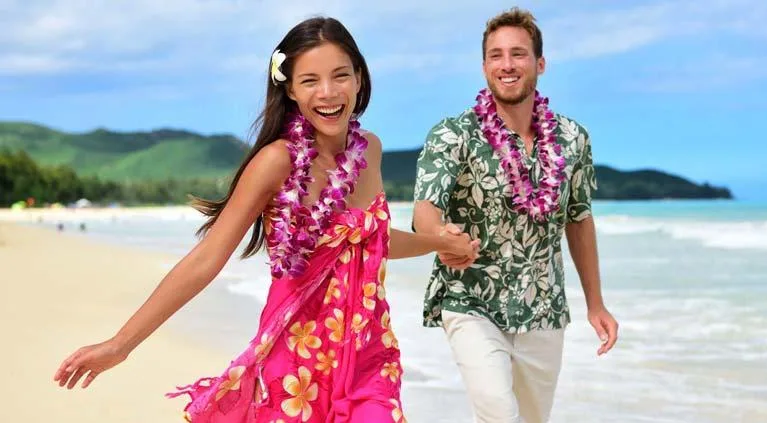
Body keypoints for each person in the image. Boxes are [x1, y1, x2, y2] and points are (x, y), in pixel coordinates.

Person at [53, 16, 478, 423]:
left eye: (340, 76)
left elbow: (372, 240)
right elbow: (207, 259)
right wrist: (121, 344)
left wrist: (440, 242)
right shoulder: (276, 162)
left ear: (359, 79)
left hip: (369, 357)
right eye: (310, 80)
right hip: (294, 365)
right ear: (290, 89)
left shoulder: (371, 149)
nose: (328, 92)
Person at [412, 7, 619, 423]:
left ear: (540, 64)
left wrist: (595, 303)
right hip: (471, 300)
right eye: (496, 55)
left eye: (518, 54)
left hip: (543, 307)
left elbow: (578, 218)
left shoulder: (573, 139)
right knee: (499, 413)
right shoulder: (454, 134)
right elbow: (425, 208)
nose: (507, 64)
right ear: (484, 67)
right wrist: (441, 239)